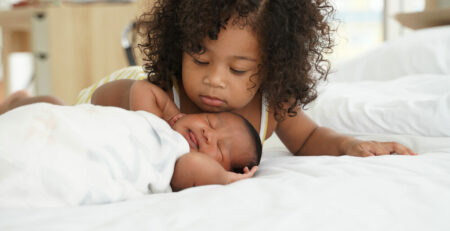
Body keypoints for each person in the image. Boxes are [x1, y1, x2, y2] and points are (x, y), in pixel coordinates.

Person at [1, 0, 416, 157]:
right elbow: (114, 97)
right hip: (120, 96)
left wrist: (347, 144)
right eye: (199, 59)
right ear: (178, 46)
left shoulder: (275, 103)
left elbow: (307, 139)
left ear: (272, 65)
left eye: (238, 70)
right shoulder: (164, 90)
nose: (215, 80)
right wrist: (148, 108)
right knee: (53, 114)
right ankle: (18, 99)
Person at [0, 102, 261, 206]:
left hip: (67, 158)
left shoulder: (178, 157)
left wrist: (225, 180)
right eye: (210, 121)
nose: (208, 135)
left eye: (220, 149)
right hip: (56, 124)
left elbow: (192, 170)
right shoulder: (153, 121)